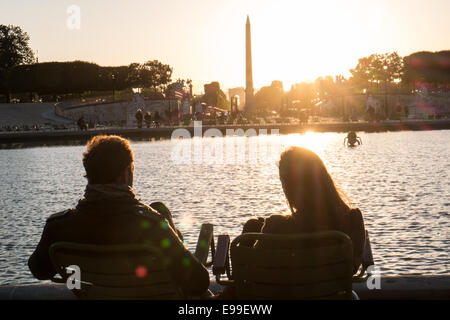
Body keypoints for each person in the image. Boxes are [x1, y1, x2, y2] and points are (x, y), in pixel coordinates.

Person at [28, 135, 209, 297]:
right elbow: (198, 283)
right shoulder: (152, 226)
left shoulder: (58, 226)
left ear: (89, 174)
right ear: (125, 174)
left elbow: (39, 270)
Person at [242, 147, 366, 275]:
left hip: (288, 291)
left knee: (251, 227)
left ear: (288, 187)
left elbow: (252, 270)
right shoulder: (353, 219)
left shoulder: (276, 226)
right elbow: (353, 266)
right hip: (332, 291)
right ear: (324, 178)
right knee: (254, 225)